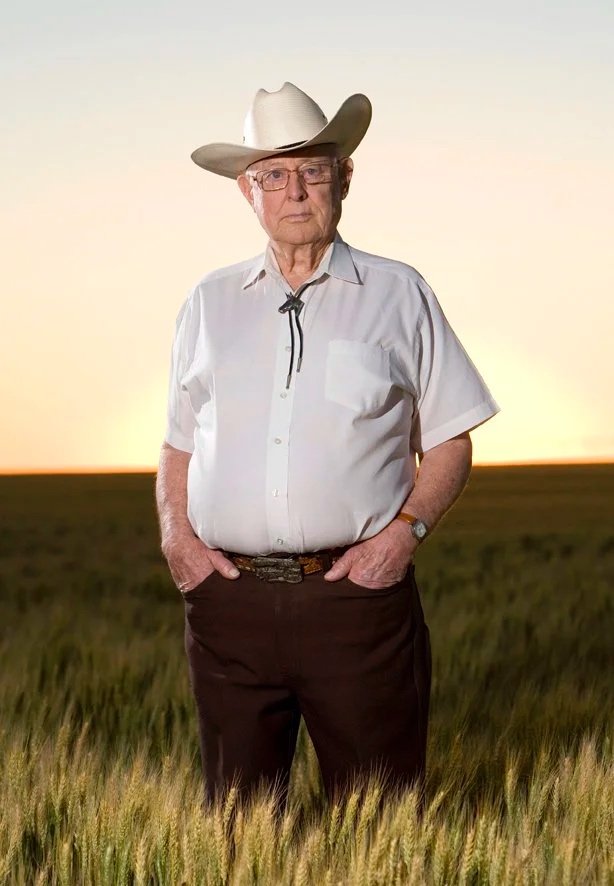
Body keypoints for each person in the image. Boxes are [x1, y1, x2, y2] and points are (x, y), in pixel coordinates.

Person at [155, 82, 499, 804]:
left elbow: (451, 439)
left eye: (312, 170)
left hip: (357, 602)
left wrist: (403, 537)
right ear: (247, 191)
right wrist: (177, 540)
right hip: (229, 608)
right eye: (274, 174)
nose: (295, 191)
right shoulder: (207, 302)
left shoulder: (399, 292)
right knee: (236, 829)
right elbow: (179, 443)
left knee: (379, 819)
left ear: (344, 178)